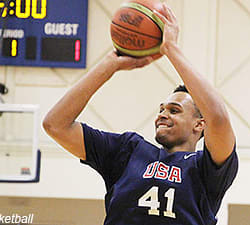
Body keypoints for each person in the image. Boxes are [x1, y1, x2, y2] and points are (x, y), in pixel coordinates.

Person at [43, 3, 238, 225]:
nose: (162, 115)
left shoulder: (207, 168)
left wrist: (171, 49)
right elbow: (55, 124)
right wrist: (109, 64)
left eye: (174, 110)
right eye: (161, 109)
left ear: (199, 125)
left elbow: (218, 117)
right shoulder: (128, 151)